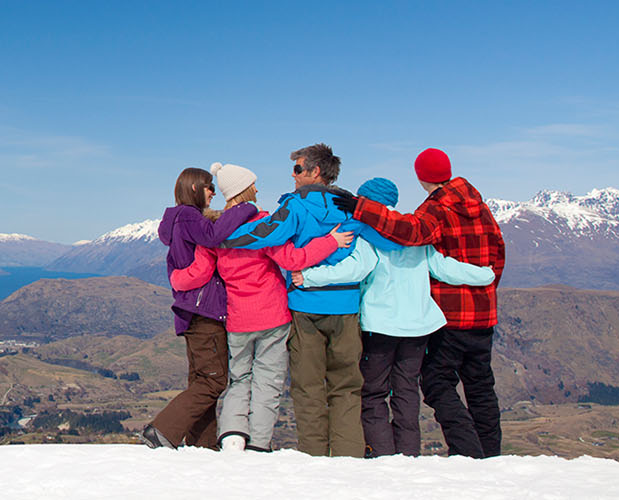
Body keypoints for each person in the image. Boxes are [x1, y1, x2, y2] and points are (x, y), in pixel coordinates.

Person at [219, 143, 400, 457]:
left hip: (305, 307)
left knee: (308, 387)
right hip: (346, 308)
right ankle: (348, 456)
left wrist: (223, 237)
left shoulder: (297, 206)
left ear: (316, 171)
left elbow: (268, 233)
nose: (293, 175)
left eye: (298, 168)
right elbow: (388, 239)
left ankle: (314, 458)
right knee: (346, 387)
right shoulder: (351, 206)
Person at [295, 178, 495, 457]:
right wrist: (485, 274)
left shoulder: (370, 233)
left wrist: (308, 277)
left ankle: (383, 453)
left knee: (374, 391)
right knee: (406, 391)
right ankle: (409, 452)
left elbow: (355, 269)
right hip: (419, 327)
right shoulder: (414, 232)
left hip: (381, 326)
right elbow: (443, 268)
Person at [169, 162, 353, 452]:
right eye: (252, 184)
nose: (257, 188)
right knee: (268, 381)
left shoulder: (215, 232)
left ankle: (232, 436)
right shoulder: (264, 227)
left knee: (240, 379)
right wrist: (330, 242)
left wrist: (177, 279)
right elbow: (293, 259)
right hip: (272, 316)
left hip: (238, 319)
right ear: (243, 190)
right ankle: (258, 444)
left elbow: (202, 270)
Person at [140, 167, 258, 449]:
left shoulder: (179, 220)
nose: (213, 193)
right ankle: (162, 430)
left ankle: (202, 444)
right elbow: (213, 235)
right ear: (194, 188)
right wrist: (244, 208)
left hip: (192, 312)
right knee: (213, 381)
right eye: (209, 187)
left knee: (202, 380)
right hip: (205, 312)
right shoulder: (189, 216)